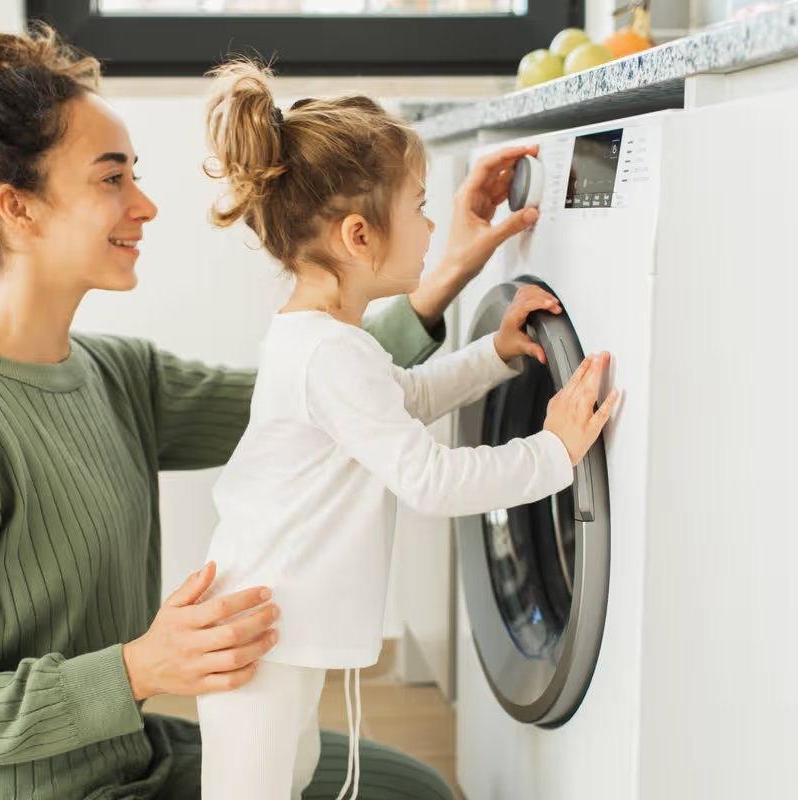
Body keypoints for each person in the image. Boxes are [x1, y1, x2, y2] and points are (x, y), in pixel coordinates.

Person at [0, 24, 552, 800]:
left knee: (412, 792)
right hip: (39, 790)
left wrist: (440, 268)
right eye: (111, 179)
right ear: (19, 209)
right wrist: (138, 669)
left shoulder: (116, 375)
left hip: (133, 754)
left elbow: (313, 403)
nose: (146, 204)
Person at [194, 60, 617, 800]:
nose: (432, 226)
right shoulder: (327, 353)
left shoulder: (327, 340)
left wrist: (492, 355)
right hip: (250, 639)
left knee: (281, 781)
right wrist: (553, 452)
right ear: (359, 236)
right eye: (420, 208)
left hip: (266, 627)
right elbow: (431, 479)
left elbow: (407, 396)